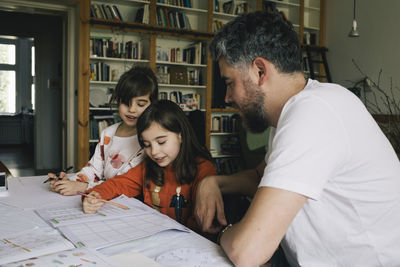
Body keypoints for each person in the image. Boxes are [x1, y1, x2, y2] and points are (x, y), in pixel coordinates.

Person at [194, 10, 400, 267]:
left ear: (259, 71)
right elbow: (262, 177)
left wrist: (223, 233)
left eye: (229, 82)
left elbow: (247, 251)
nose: (227, 97)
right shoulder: (295, 112)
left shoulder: (314, 112)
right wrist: (214, 183)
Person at [82, 100, 217, 231]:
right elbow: (119, 184)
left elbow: (201, 226)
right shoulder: (148, 166)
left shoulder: (203, 170)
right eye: (147, 145)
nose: (154, 152)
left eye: (161, 142)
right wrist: (96, 195)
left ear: (181, 135)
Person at [49, 66, 158, 196]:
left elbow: (126, 183)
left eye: (140, 104)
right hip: (100, 197)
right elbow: (93, 170)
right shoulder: (108, 133)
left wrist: (82, 187)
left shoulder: (150, 140)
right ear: (117, 101)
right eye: (126, 103)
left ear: (152, 105)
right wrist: (68, 181)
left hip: (129, 201)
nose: (132, 109)